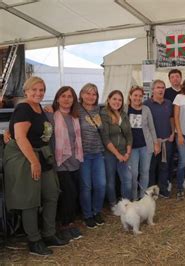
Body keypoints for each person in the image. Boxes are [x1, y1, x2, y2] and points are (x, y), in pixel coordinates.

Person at [4, 76, 68, 256]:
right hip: (24, 157)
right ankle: (34, 240)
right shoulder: (23, 108)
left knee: (51, 194)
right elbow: (21, 137)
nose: (38, 93)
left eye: (41, 90)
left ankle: (49, 233)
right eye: (34, 90)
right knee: (30, 200)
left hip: (41, 154)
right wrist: (34, 162)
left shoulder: (39, 107)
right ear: (26, 91)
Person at [49, 86, 84, 241]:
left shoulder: (75, 116)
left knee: (73, 193)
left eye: (70, 96)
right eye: (63, 96)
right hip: (59, 161)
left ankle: (69, 223)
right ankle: (63, 226)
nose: (66, 99)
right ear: (57, 98)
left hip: (74, 160)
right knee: (67, 194)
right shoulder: (51, 115)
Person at [77, 83, 106, 228]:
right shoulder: (76, 109)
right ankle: (88, 215)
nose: (90, 96)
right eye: (87, 93)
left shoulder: (99, 110)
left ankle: (96, 211)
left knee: (101, 185)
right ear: (81, 94)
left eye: (94, 94)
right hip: (84, 154)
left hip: (98, 153)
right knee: (86, 186)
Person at [127, 86, 160, 200]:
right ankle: (134, 197)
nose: (138, 98)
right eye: (135, 95)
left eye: (140, 96)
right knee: (134, 174)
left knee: (145, 172)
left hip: (146, 146)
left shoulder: (146, 109)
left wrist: (156, 143)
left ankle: (143, 197)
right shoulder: (125, 110)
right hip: (131, 148)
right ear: (130, 96)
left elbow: (151, 128)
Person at [100, 90, 133, 206]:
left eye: (119, 100)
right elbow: (105, 138)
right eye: (114, 99)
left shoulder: (124, 114)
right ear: (108, 100)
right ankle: (113, 204)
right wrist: (117, 154)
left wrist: (127, 153)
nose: (117, 102)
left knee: (127, 180)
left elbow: (129, 135)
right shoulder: (104, 114)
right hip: (110, 153)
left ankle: (126, 204)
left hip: (124, 153)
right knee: (111, 180)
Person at [144, 79, 175, 198]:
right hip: (152, 142)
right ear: (153, 90)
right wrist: (153, 140)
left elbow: (171, 118)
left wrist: (173, 132)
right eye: (158, 87)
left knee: (164, 166)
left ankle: (162, 189)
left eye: (162, 87)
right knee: (151, 167)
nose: (161, 89)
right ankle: (151, 191)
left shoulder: (168, 103)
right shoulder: (147, 104)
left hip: (166, 141)